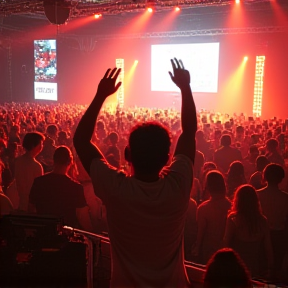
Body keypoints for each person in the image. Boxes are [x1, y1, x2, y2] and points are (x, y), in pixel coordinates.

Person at [73, 58, 197, 287]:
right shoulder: (178, 186)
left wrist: (101, 96)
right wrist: (186, 88)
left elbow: (80, 140)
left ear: (127, 155)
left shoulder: (116, 189)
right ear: (167, 159)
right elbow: (189, 133)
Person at [29, 146, 93, 232]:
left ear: (54, 160)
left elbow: (31, 208)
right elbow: (82, 216)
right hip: (65, 235)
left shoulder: (39, 182)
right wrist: (92, 231)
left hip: (43, 232)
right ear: (70, 162)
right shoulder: (75, 187)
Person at [223, 184, 273, 277]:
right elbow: (268, 247)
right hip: (255, 264)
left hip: (237, 264)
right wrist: (270, 267)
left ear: (238, 200)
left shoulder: (233, 219)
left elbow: (226, 242)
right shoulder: (263, 221)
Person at [192, 170, 231, 264]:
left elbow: (200, 233)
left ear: (208, 186)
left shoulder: (203, 209)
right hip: (228, 250)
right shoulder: (232, 206)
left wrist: (197, 248)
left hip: (209, 250)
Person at [257, 163, 288, 278]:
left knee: (262, 267)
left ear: (264, 176)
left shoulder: (258, 194)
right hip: (279, 235)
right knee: (277, 268)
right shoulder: (285, 197)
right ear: (281, 178)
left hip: (260, 235)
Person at [14, 132, 44, 212]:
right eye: (40, 144)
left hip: (21, 203)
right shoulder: (36, 166)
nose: (42, 146)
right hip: (32, 206)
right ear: (34, 146)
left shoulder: (18, 161)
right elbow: (39, 189)